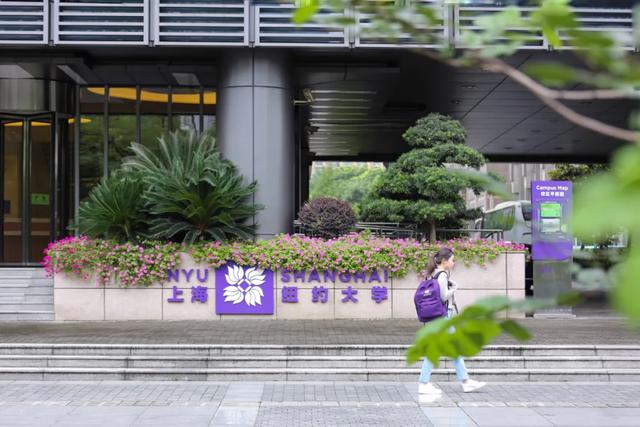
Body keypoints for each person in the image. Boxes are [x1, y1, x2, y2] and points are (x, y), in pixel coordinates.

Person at [418, 247, 487, 395]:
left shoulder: (434, 274)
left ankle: (465, 381)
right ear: (444, 261)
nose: (453, 263)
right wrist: (454, 288)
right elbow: (443, 297)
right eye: (452, 260)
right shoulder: (442, 275)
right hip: (444, 317)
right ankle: (424, 383)